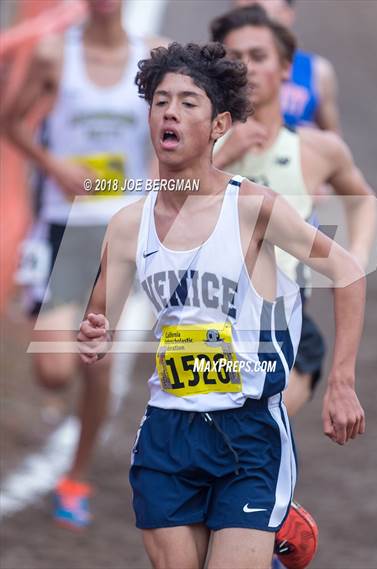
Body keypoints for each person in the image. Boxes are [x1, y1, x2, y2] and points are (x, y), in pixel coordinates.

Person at [77, 41, 366, 569]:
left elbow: (346, 272)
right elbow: (101, 321)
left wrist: (342, 383)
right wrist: (95, 336)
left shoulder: (251, 207)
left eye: (189, 102)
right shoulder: (127, 226)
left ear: (219, 125)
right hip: (168, 432)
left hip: (248, 433)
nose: (170, 111)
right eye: (161, 101)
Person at [2, 0, 166, 529]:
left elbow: (179, 126)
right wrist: (53, 165)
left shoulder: (153, 57)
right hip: (62, 226)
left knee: (95, 354)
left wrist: (156, 181)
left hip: (118, 228)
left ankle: (76, 476)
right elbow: (10, 120)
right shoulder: (55, 54)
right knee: (53, 370)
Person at [211, 4, 376, 418]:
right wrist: (222, 156)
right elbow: (159, 206)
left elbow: (364, 200)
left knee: (257, 432)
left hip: (285, 326)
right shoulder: (195, 146)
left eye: (259, 57)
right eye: (234, 59)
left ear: (285, 68)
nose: (246, 68)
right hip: (207, 322)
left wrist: (354, 256)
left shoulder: (317, 149)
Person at [234, 0, 341, 132]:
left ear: (287, 15)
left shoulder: (317, 69)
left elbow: (332, 134)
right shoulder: (221, 67)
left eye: (259, 57)